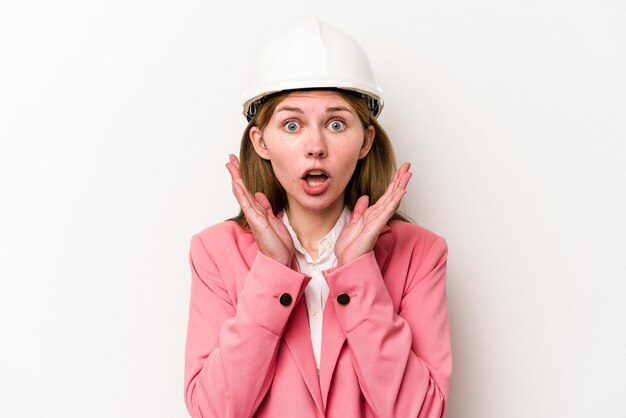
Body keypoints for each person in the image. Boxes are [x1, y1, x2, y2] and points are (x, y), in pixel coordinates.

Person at [184, 17, 452, 418]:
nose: (315, 147)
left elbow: (419, 412)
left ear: (366, 140)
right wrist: (272, 268)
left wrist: (358, 269)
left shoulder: (421, 253)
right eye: (292, 125)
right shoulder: (215, 252)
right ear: (261, 142)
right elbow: (215, 411)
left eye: (336, 123)